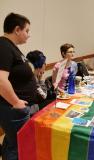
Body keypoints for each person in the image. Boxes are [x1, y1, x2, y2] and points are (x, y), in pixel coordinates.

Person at [0, 13, 38, 160]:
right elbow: (1, 80)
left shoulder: (11, 47)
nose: (28, 35)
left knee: (12, 143)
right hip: (13, 108)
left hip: (17, 108)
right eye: (27, 31)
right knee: (17, 147)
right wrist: (16, 102)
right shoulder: (3, 46)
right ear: (17, 30)